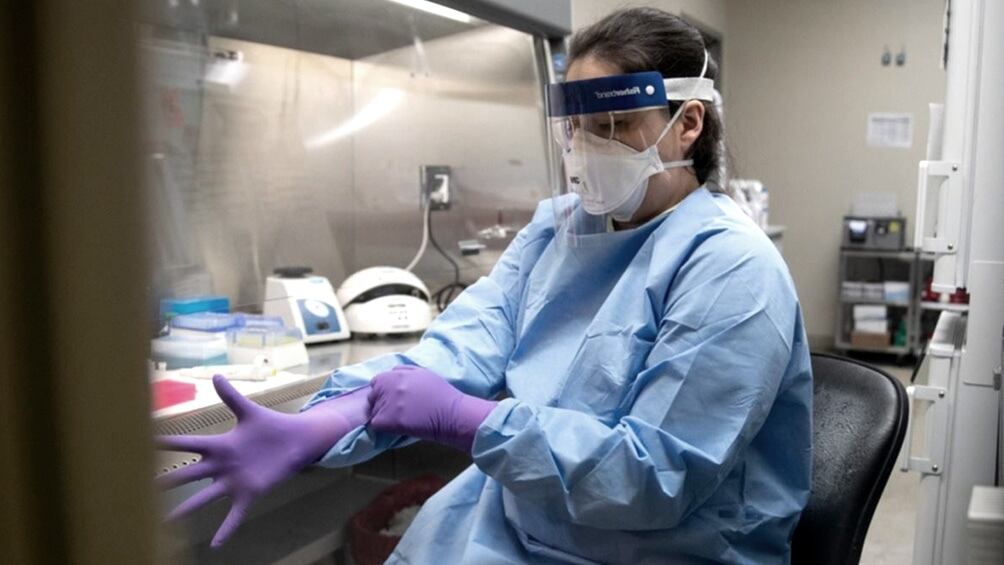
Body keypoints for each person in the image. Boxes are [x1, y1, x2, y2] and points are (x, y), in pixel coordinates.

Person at [158, 8, 812, 564]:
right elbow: (460, 347)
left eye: (613, 126)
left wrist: (471, 421)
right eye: (575, 127)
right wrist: (329, 420)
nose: (587, 147)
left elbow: (649, 476)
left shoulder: (733, 268)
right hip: (516, 527)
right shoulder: (560, 230)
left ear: (687, 124)